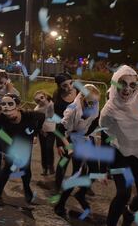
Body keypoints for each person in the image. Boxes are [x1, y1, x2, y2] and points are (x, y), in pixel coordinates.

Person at [100, 65, 138, 226]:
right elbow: (105, 138)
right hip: (120, 153)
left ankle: (129, 212)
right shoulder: (108, 110)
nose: (127, 89)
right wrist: (103, 169)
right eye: (122, 83)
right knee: (123, 193)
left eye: (132, 85)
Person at [0, 93, 45, 206]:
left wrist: (35, 133)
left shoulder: (30, 115)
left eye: (10, 105)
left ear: (18, 107)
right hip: (8, 141)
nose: (9, 114)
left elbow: (42, 117)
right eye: (4, 106)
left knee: (25, 168)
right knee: (9, 166)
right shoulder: (2, 118)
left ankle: (27, 191)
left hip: (25, 142)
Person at [54, 85, 101, 218]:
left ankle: (80, 193)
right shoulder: (71, 109)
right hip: (73, 139)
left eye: (96, 102)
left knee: (95, 172)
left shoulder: (95, 107)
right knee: (77, 174)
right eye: (91, 101)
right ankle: (60, 204)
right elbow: (59, 129)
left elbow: (95, 122)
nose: (94, 104)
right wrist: (66, 146)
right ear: (83, 98)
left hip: (86, 139)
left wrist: (88, 137)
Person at [53, 72, 78, 190]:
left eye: (71, 83)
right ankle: (57, 186)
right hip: (65, 134)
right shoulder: (58, 99)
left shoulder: (80, 90)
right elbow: (58, 122)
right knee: (64, 160)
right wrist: (59, 143)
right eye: (64, 86)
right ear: (59, 86)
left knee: (81, 162)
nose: (69, 88)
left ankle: (83, 186)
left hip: (81, 132)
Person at [34, 91, 56, 176]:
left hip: (52, 130)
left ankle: (50, 165)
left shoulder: (52, 104)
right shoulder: (37, 109)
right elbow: (36, 123)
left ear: (45, 96)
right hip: (42, 131)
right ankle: (44, 168)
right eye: (38, 100)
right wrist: (36, 134)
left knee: (49, 148)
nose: (41, 100)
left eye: (42, 97)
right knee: (43, 149)